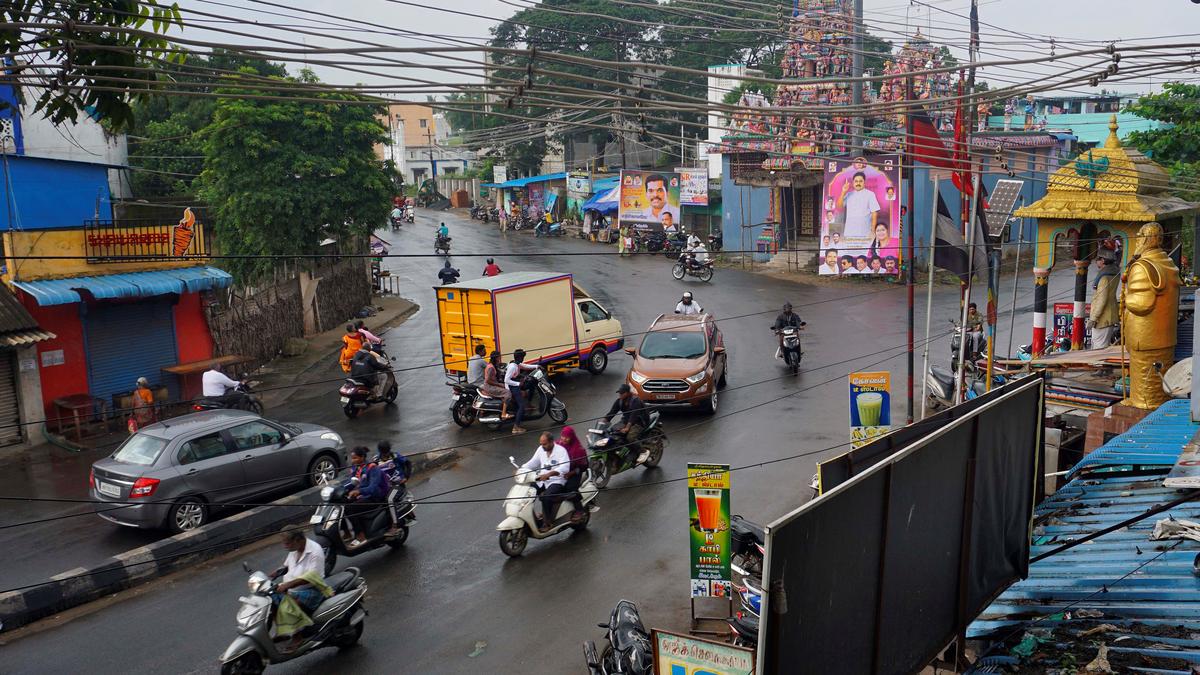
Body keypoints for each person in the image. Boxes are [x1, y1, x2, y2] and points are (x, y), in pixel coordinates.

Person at [521, 432, 572, 531]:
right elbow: (533, 462)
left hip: (557, 481)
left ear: (552, 442)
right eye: (541, 444)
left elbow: (565, 467)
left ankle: (548, 522)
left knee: (546, 497)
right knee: (529, 490)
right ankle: (530, 516)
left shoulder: (561, 451)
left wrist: (549, 474)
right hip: (542, 480)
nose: (542, 446)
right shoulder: (541, 449)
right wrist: (521, 469)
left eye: (544, 444)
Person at [274, 530, 327, 616]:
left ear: (298, 540)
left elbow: (311, 578)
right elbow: (287, 566)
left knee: (288, 612)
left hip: (312, 590)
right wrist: (277, 572)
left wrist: (287, 585)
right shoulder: (294, 549)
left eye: (287, 544)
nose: (284, 546)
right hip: (291, 589)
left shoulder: (315, 552)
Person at [345, 447, 387, 546]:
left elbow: (373, 488)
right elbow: (351, 482)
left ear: (362, 457)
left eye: (355, 458)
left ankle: (360, 536)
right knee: (341, 503)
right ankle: (346, 532)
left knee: (350, 508)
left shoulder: (372, 468)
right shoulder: (356, 468)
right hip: (363, 495)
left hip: (374, 497)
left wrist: (359, 491)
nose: (353, 460)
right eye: (352, 458)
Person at [603, 383, 648, 461]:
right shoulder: (619, 401)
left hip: (639, 421)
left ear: (627, 393)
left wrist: (627, 428)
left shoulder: (635, 401)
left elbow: (633, 416)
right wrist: (603, 422)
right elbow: (612, 412)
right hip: (626, 420)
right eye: (619, 393)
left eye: (621, 393)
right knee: (612, 431)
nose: (620, 395)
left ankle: (643, 451)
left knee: (630, 438)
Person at [375, 441, 412, 535]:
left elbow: (408, 463)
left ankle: (395, 524)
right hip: (385, 487)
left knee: (389, 499)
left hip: (397, 485)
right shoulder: (375, 460)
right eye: (383, 453)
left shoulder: (395, 456)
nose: (385, 455)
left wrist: (406, 477)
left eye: (387, 452)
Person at [1089, 242, 1120, 350]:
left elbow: (1102, 300)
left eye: (1098, 259)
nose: (1096, 261)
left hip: (1102, 319)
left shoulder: (1104, 278)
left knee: (1099, 349)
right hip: (1110, 315)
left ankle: (1099, 367)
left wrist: (1093, 318)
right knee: (1103, 347)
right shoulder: (1114, 273)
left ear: (1102, 261)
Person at [836, 171, 881, 240]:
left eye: (860, 181)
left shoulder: (870, 194)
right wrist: (843, 192)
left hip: (865, 231)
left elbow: (874, 213)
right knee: (850, 250)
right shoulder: (848, 194)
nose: (858, 183)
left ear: (864, 182)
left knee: (865, 250)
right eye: (856, 181)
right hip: (849, 231)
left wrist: (872, 230)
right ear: (853, 183)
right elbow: (839, 206)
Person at [557, 426, 589, 521]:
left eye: (567, 437)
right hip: (560, 472)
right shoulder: (557, 446)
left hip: (574, 472)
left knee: (570, 489)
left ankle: (580, 510)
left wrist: (572, 473)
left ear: (572, 437)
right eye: (563, 436)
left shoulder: (578, 450)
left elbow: (584, 466)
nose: (564, 439)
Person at [505, 349, 539, 434]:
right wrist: (518, 384)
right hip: (511, 386)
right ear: (519, 357)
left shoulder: (516, 363)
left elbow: (525, 366)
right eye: (523, 357)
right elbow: (506, 380)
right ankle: (516, 427)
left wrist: (536, 366)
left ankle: (529, 404)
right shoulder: (513, 367)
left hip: (515, 384)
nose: (523, 359)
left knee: (531, 385)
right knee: (522, 406)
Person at [481, 351, 513, 419]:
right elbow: (488, 380)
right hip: (489, 387)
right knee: (508, 393)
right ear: (496, 358)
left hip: (491, 385)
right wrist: (499, 385)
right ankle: (503, 413)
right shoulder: (491, 367)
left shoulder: (492, 365)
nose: (500, 358)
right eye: (499, 357)